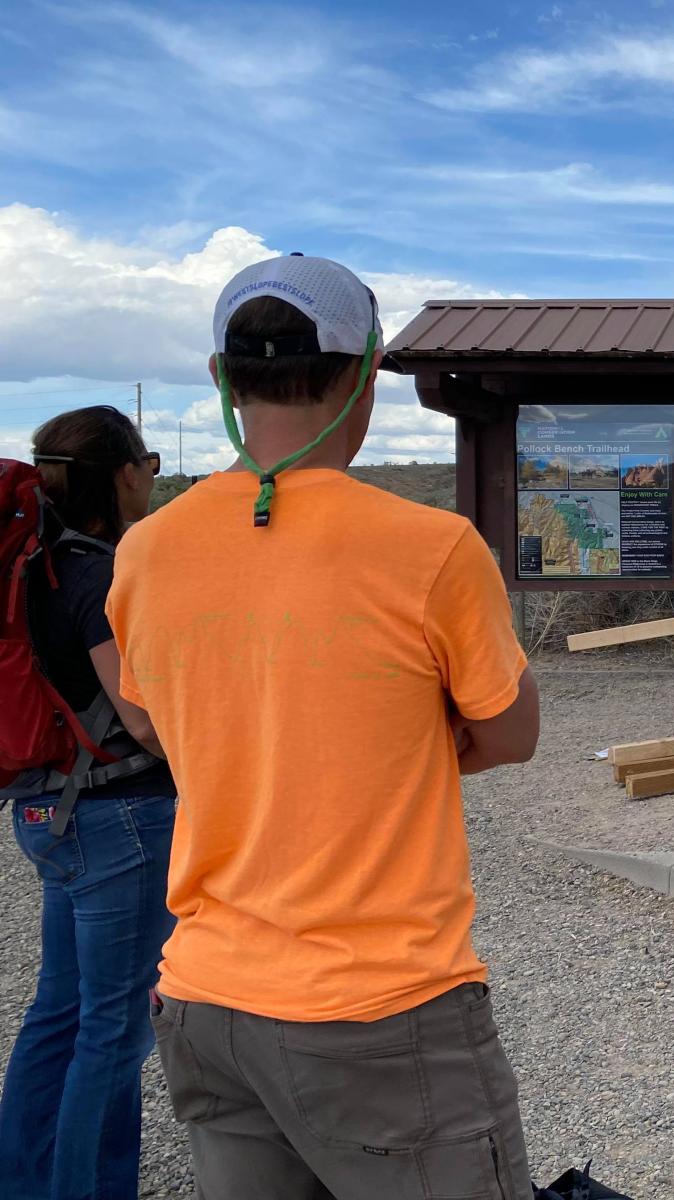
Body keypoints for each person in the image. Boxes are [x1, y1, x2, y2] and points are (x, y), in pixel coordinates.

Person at [105, 254, 542, 1197]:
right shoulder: (431, 549)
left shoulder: (146, 552)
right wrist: (399, 744)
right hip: (383, 1012)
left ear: (221, 378)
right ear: (365, 374)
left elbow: (160, 723)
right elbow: (511, 734)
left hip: (205, 999)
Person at [0, 407, 173, 1200]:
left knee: (60, 1014)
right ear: (124, 472)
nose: (152, 476)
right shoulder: (98, 573)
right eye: (149, 461)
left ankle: (29, 1181)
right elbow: (138, 717)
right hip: (120, 817)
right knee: (112, 1029)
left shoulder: (34, 564)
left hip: (47, 811)